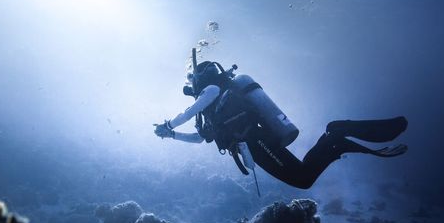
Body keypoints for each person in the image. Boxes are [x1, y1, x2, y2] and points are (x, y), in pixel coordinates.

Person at [154, 58, 407, 190]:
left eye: (192, 80)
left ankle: (337, 135)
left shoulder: (211, 90)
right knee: (303, 177)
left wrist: (168, 124)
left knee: (303, 178)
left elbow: (189, 111)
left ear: (200, 78)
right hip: (254, 146)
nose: (191, 87)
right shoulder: (211, 111)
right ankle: (336, 138)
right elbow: (199, 138)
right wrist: (172, 136)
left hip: (256, 141)